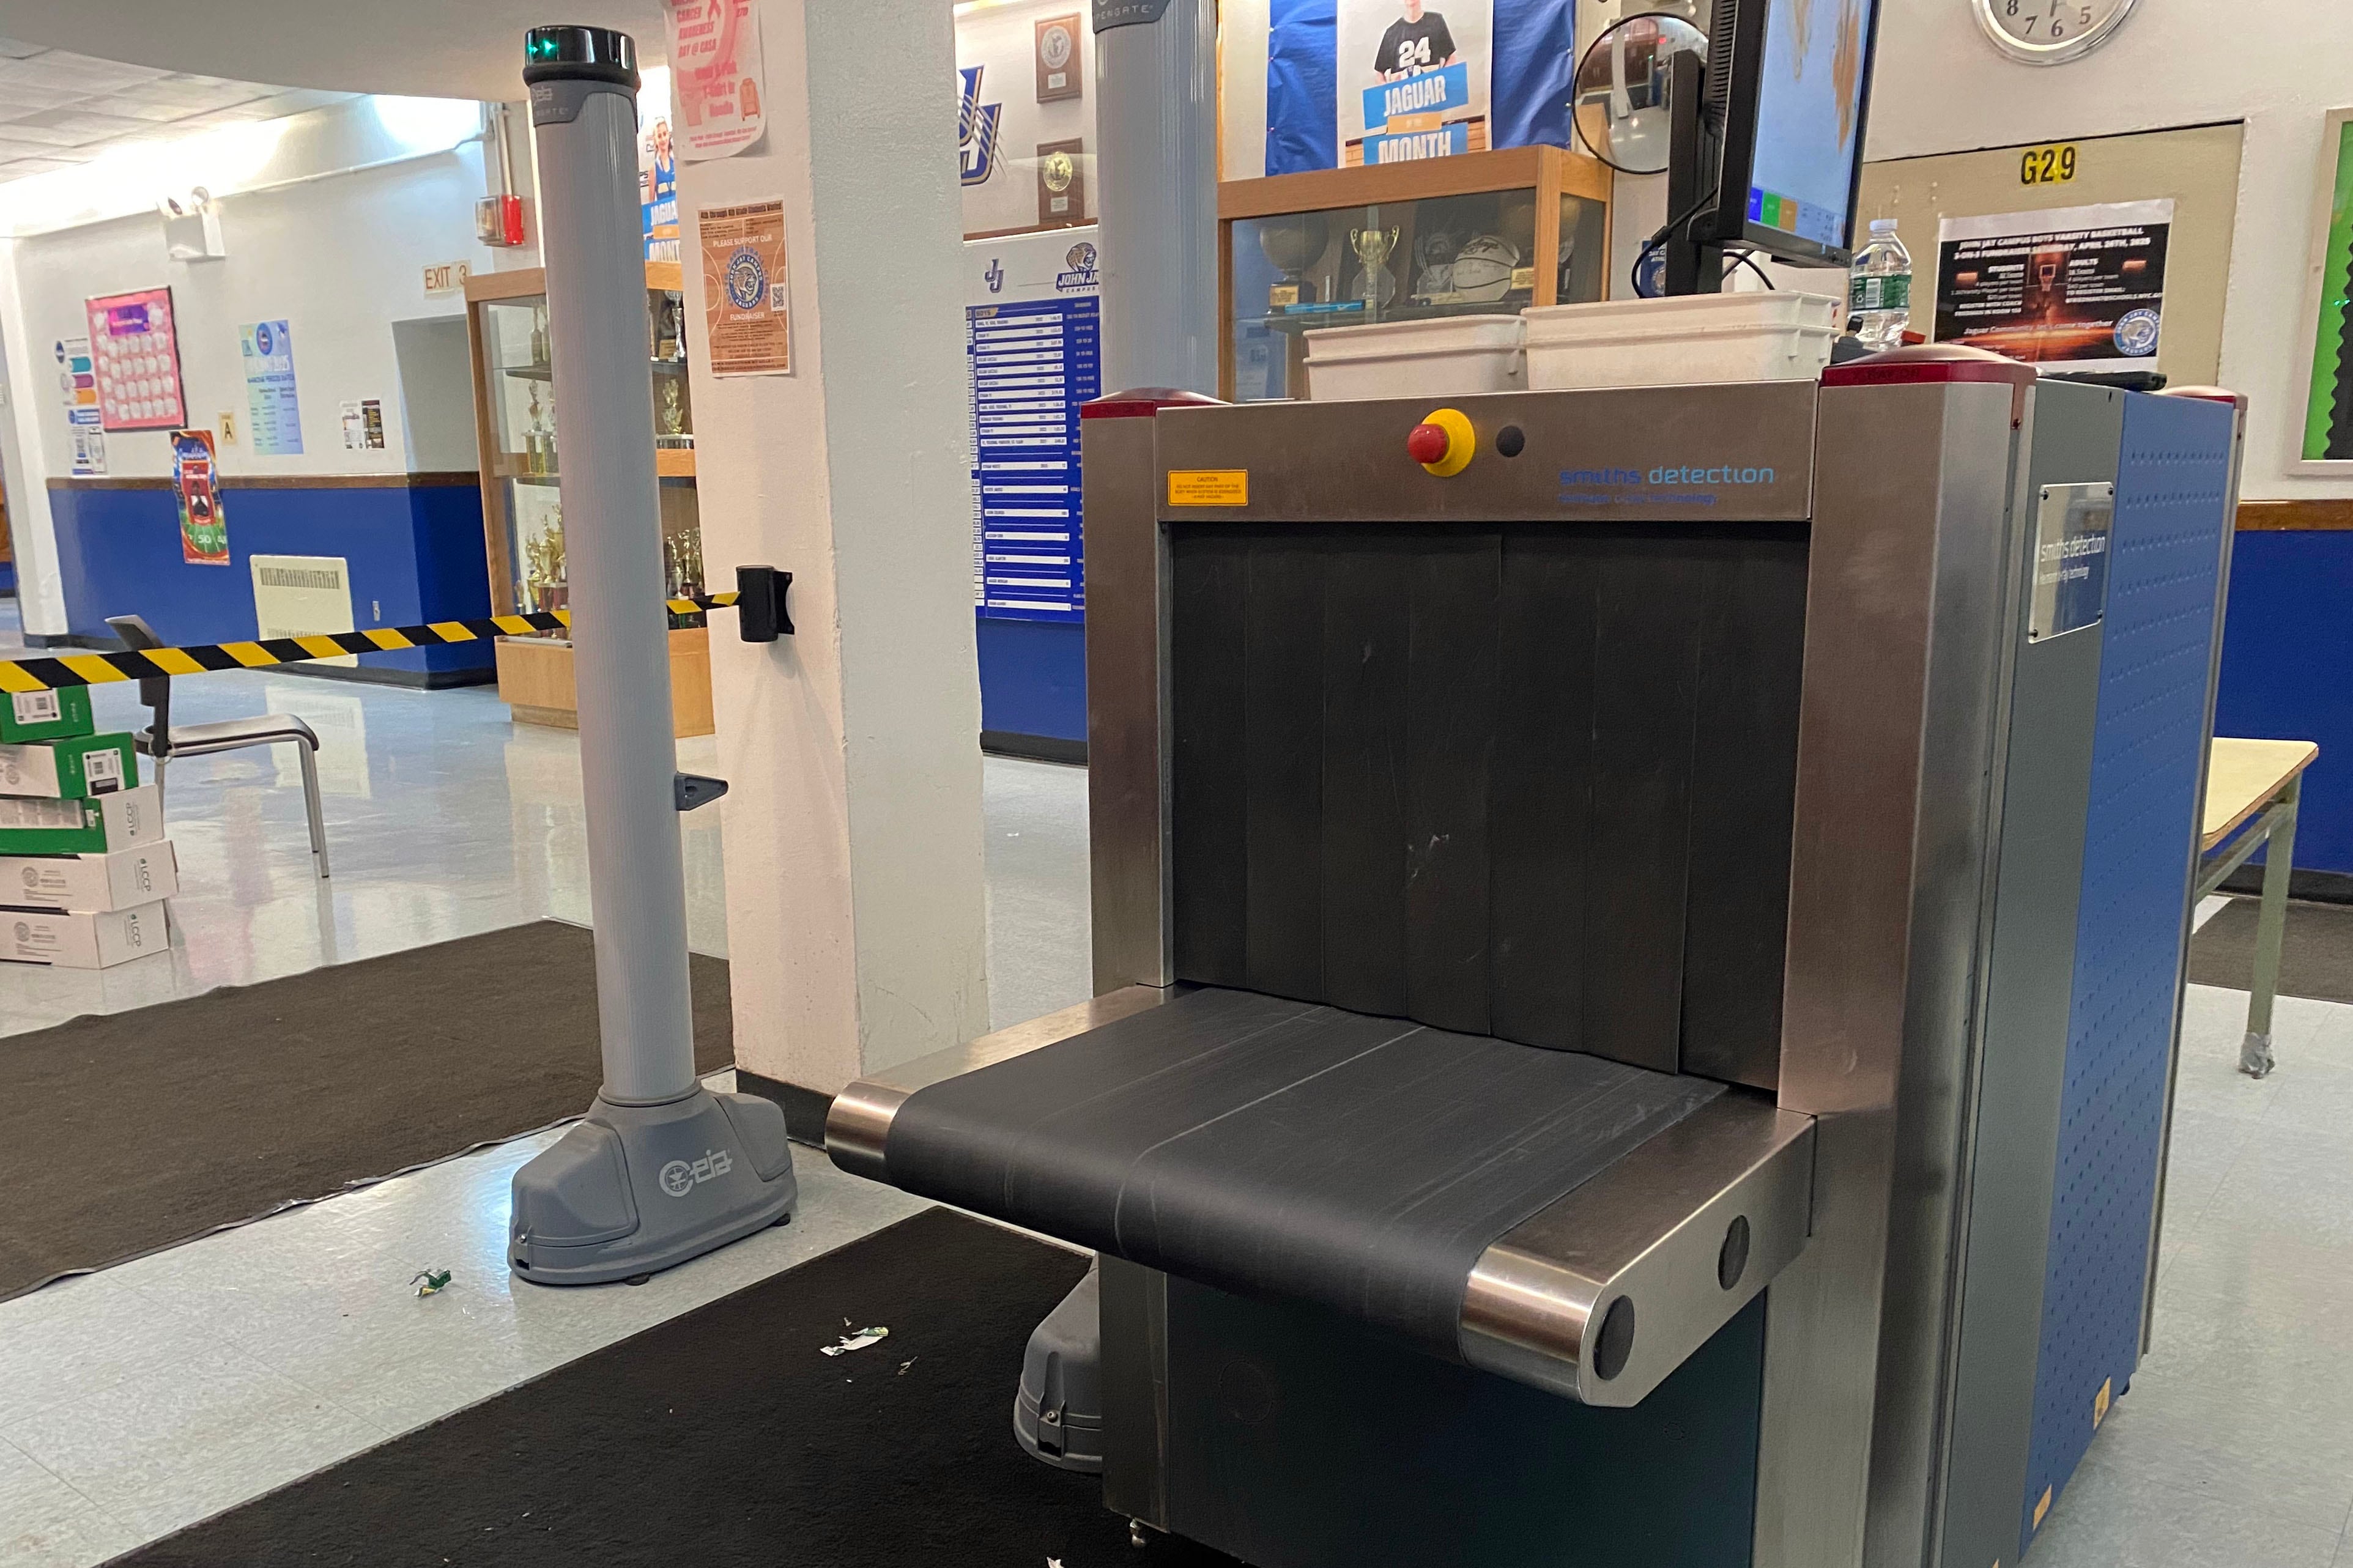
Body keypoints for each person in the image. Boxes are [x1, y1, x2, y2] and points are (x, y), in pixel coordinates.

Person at [1374, 0, 1456, 78]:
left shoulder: (1436, 22)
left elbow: (1451, 56)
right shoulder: (1391, 33)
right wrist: (1389, 89)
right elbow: (1379, 72)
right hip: (1403, 90)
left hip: (1432, 89)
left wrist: (1443, 78)